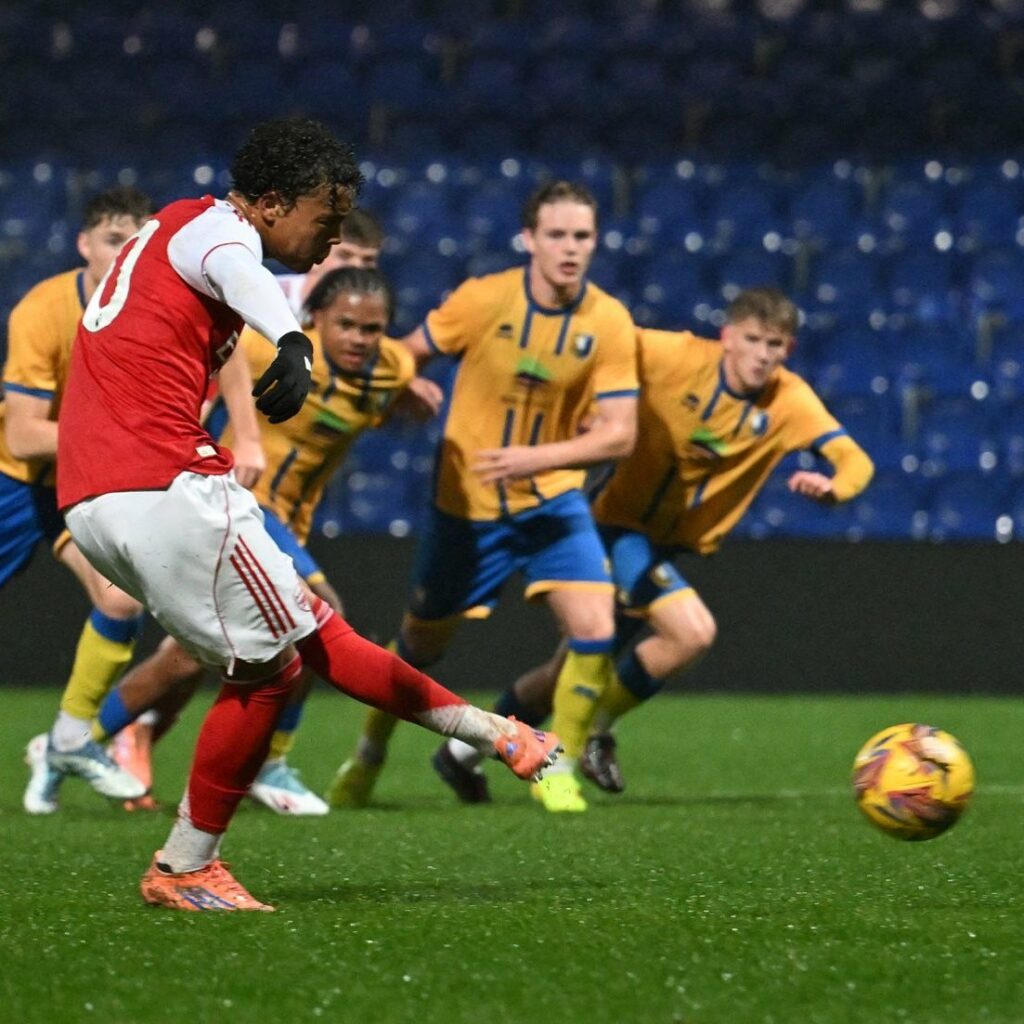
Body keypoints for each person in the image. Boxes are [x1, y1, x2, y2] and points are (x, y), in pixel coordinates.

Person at [55, 116, 560, 912]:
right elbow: (238, 267)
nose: (330, 242)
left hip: (94, 498)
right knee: (278, 667)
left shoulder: (174, 229)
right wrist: (293, 339)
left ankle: (498, 735)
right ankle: (181, 864)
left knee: (296, 647)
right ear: (270, 202)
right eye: (325, 220)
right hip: (164, 483)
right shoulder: (217, 232)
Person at [454, 288, 875, 807]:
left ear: (788, 350)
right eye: (752, 340)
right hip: (615, 526)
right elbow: (603, 343)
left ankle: (460, 752)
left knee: (566, 673)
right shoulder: (675, 355)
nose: (762, 355)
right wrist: (576, 402)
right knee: (691, 631)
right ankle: (584, 740)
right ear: (727, 337)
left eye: (775, 345)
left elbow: (855, 460)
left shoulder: (789, 400)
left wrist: (836, 489)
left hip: (664, 545)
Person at [327, 180, 639, 814]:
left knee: (596, 627)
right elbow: (404, 354)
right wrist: (402, 388)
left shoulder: (609, 320)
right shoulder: (483, 299)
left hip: (552, 503)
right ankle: (367, 756)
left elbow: (620, 434)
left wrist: (535, 459)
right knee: (419, 648)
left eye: (582, 236)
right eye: (557, 234)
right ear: (529, 239)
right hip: (466, 509)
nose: (570, 248)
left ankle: (559, 765)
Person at [100, 266, 430, 817]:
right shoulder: (268, 351)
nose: (358, 338)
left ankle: (84, 736)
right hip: (240, 506)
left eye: (371, 329)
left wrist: (408, 397)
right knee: (319, 617)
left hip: (289, 526)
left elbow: (395, 376)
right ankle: (268, 763)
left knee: (195, 654)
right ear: (314, 319)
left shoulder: (392, 369)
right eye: (345, 325)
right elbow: (218, 351)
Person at [2, 186, 156, 813]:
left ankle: (67, 740)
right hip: (13, 478)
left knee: (121, 600)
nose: (125, 254)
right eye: (114, 240)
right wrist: (123, 437)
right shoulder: (43, 310)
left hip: (80, 481)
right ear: (84, 245)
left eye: (137, 244)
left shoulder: (152, 314)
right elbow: (23, 435)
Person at [275, 208, 384, 316]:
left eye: (368, 259)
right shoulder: (270, 295)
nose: (357, 267)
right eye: (344, 255)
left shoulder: (377, 313)